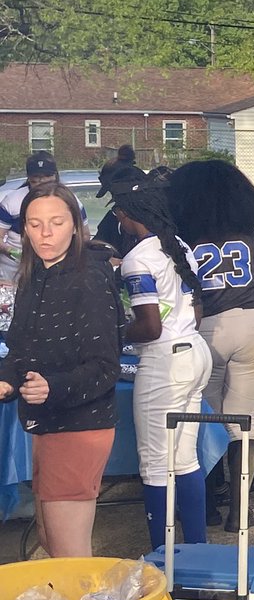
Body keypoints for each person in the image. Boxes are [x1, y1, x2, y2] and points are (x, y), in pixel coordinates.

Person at [0, 184, 121, 557]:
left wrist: (52, 387)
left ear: (76, 225)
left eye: (56, 222)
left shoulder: (90, 278)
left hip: (80, 425)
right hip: (43, 423)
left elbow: (105, 367)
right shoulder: (34, 276)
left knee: (69, 555)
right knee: (50, 541)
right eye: (34, 225)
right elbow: (19, 348)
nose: (45, 233)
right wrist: (7, 378)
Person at [170, 160, 254, 532]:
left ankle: (208, 503)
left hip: (208, 327)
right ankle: (240, 510)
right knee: (244, 418)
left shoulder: (183, 238)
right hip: (252, 322)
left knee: (205, 417)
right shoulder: (252, 235)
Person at [110, 175, 213, 550]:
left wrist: (118, 332)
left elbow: (149, 327)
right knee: (184, 459)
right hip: (194, 348)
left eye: (120, 217)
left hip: (165, 360)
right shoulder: (179, 245)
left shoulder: (138, 259)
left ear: (129, 215)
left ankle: (160, 555)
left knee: (155, 465)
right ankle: (198, 548)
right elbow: (196, 311)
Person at [0, 151, 90, 280]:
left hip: (57, 269)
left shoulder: (71, 200)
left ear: (55, 175)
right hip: (15, 270)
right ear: (29, 178)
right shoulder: (12, 201)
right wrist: (14, 252)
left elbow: (84, 235)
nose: (42, 181)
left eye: (47, 176)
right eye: (36, 179)